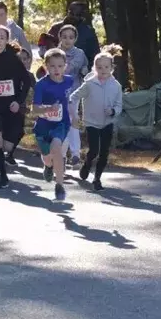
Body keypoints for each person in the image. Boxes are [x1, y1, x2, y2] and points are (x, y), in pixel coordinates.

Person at [0, 26, 33, 189]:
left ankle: (3, 156)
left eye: (2, 37)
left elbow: (27, 81)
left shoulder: (13, 59)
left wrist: (19, 101)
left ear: (6, 40)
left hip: (11, 107)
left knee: (6, 146)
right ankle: (3, 176)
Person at [70, 46, 125, 191]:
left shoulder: (116, 86)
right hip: (91, 122)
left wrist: (113, 111)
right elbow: (74, 96)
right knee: (94, 150)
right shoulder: (89, 84)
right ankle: (87, 164)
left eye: (106, 67)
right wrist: (70, 107)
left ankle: (97, 179)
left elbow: (119, 105)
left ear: (112, 68)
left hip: (107, 123)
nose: (103, 70)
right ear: (95, 68)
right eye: (99, 67)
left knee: (104, 152)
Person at [35, 49, 76, 201]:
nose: (56, 69)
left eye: (60, 66)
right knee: (47, 156)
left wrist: (75, 116)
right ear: (46, 66)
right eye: (52, 66)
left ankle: (59, 185)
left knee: (57, 148)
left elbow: (69, 100)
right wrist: (48, 109)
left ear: (65, 66)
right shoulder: (41, 85)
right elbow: (35, 109)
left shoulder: (69, 81)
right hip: (43, 124)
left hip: (61, 123)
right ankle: (48, 166)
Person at [57, 24, 89, 165]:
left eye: (70, 37)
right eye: (64, 37)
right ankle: (62, 155)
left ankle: (75, 153)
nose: (67, 40)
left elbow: (76, 67)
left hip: (73, 92)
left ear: (75, 38)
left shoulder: (79, 53)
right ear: (60, 38)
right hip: (57, 92)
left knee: (72, 121)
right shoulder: (55, 52)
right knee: (60, 123)